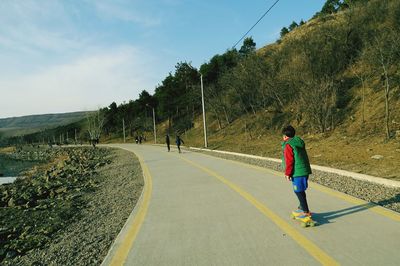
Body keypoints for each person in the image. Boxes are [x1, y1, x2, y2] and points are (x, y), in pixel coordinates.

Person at [281, 125, 312, 217]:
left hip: (297, 172)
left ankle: (306, 212)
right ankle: (302, 207)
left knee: (298, 191)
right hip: (304, 171)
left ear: (285, 136)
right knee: (300, 190)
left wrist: (287, 173)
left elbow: (289, 160)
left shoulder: (288, 145)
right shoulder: (298, 142)